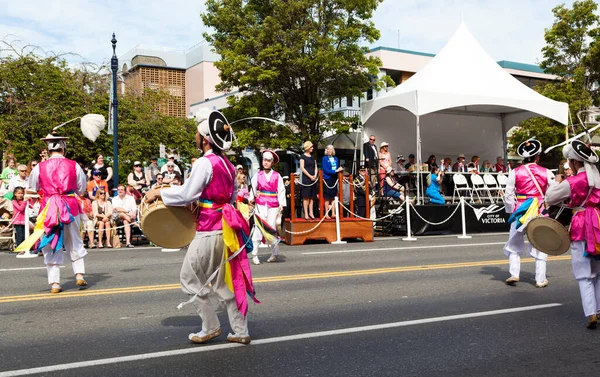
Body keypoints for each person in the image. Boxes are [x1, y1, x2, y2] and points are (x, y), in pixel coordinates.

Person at [144, 108, 257, 345]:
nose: (194, 137)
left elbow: (187, 193)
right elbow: (231, 195)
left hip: (209, 229)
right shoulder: (227, 164)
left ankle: (210, 326)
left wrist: (160, 193)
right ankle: (240, 330)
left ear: (205, 139)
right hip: (226, 228)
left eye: (197, 134)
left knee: (189, 278)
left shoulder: (205, 163)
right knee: (223, 280)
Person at [17, 132, 88, 294]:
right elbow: (81, 189)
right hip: (69, 205)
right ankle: (79, 273)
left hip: (49, 206)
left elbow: (32, 187)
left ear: (49, 150)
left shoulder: (40, 167)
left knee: (50, 241)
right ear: (63, 148)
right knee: (74, 240)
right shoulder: (74, 165)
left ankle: (55, 282)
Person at [546, 140, 600, 328]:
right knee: (598, 271)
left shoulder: (573, 181)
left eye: (569, 161)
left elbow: (550, 198)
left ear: (575, 162)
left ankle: (591, 313)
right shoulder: (598, 179)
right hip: (598, 222)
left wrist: (557, 182)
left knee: (584, 273)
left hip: (580, 224)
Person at [503, 139, 553, 288]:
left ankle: (514, 274)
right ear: (537, 156)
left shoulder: (515, 172)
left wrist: (511, 210)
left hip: (521, 209)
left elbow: (508, 194)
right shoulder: (546, 172)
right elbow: (554, 192)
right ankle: (540, 279)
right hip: (538, 210)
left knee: (514, 241)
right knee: (540, 243)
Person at [249, 150, 286, 264]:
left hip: (273, 205)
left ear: (272, 162)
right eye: (264, 160)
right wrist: (251, 198)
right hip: (260, 204)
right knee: (258, 228)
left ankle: (275, 252)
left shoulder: (277, 176)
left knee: (271, 229)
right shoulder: (257, 175)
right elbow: (253, 188)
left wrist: (281, 204)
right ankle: (254, 253)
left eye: (268, 161)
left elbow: (281, 190)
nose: (266, 163)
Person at [322, 145, 343, 219]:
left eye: (331, 149)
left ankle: (333, 213)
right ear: (326, 150)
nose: (329, 151)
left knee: (334, 197)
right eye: (328, 149)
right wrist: (335, 171)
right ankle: (327, 213)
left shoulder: (335, 158)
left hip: (334, 179)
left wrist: (339, 169)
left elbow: (337, 167)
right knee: (327, 197)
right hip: (327, 179)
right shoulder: (324, 158)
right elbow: (326, 169)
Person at [299, 141, 317, 220]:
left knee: (312, 197)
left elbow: (315, 167)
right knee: (306, 197)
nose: (312, 148)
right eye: (311, 147)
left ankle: (311, 212)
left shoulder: (313, 157)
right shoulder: (302, 157)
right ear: (308, 147)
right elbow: (302, 168)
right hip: (306, 178)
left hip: (313, 177)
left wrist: (315, 175)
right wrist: (310, 176)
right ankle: (306, 213)